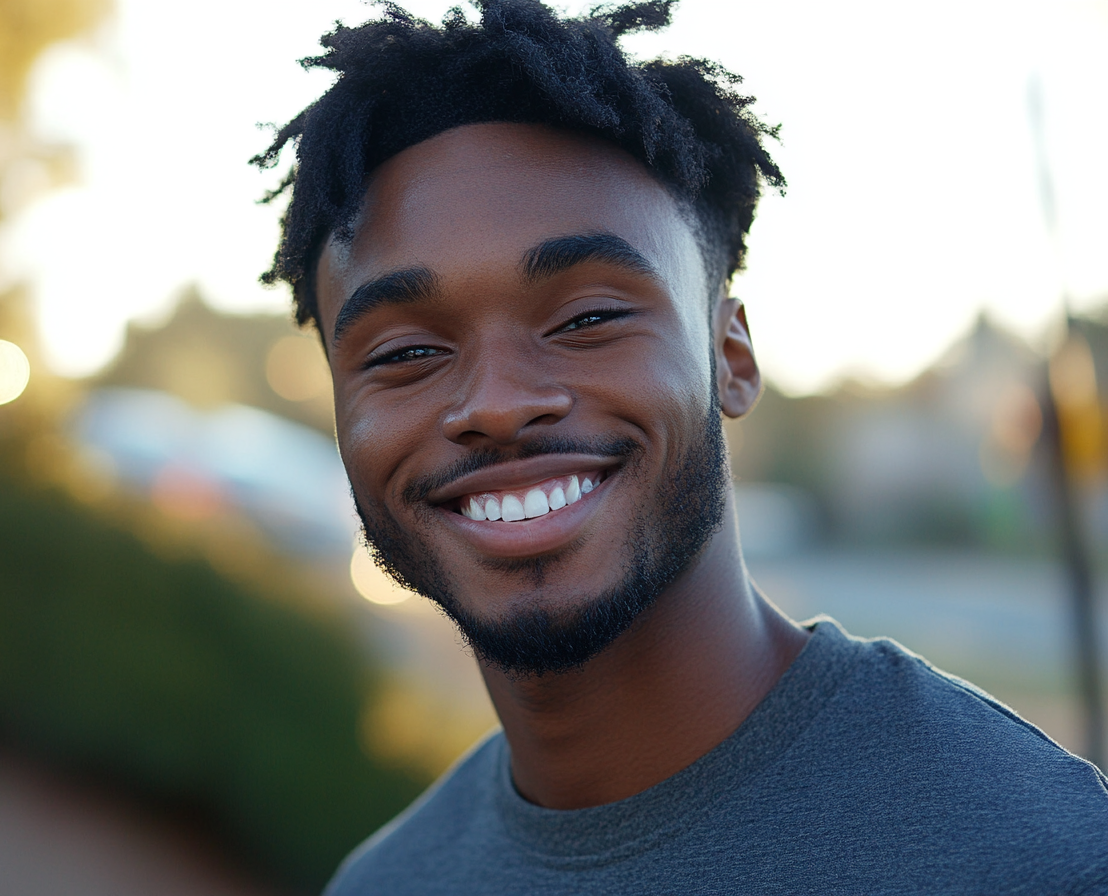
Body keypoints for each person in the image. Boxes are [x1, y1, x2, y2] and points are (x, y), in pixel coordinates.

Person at [253, 2, 1108, 892]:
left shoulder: (1039, 856)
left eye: (587, 319)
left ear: (730, 357)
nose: (498, 405)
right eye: (408, 355)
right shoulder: (385, 884)